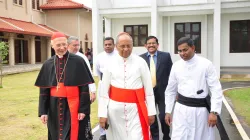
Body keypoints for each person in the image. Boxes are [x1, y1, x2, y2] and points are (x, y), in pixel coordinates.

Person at [35, 32, 94, 140]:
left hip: (74, 105)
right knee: (56, 134)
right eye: (58, 45)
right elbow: (44, 90)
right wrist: (43, 111)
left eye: (64, 44)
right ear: (52, 46)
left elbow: (84, 88)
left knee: (74, 134)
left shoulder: (78, 61)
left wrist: (83, 109)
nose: (62, 48)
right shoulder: (48, 64)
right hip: (54, 107)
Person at [98, 32, 156, 140]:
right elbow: (104, 92)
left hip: (136, 111)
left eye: (128, 46)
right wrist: (102, 114)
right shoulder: (109, 63)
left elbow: (148, 90)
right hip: (115, 112)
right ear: (116, 47)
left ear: (132, 45)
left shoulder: (141, 62)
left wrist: (151, 112)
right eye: (122, 46)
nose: (126, 49)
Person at [164, 37, 223, 140]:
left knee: (200, 137)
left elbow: (216, 89)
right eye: (180, 51)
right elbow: (170, 90)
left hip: (200, 112)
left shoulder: (206, 64)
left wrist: (214, 112)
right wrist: (168, 111)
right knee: (179, 136)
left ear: (193, 48)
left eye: (185, 50)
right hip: (181, 111)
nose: (182, 53)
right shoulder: (176, 66)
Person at [140, 36, 172, 140]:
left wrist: (174, 91)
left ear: (157, 45)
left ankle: (166, 136)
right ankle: (155, 137)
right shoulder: (141, 58)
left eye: (153, 43)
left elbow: (171, 75)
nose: (151, 45)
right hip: (148, 93)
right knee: (151, 117)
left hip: (163, 92)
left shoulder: (166, 56)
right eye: (149, 43)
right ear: (145, 46)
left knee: (163, 116)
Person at [95, 37, 117, 140]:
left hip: (115, 85)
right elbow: (97, 72)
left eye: (109, 44)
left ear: (114, 45)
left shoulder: (118, 56)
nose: (107, 46)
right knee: (103, 108)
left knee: (114, 108)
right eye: (106, 45)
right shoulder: (99, 57)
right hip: (103, 85)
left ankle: (115, 132)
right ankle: (103, 133)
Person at [67, 36, 96, 103]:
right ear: (68, 45)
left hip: (81, 88)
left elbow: (89, 74)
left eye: (78, 45)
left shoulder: (82, 57)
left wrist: (93, 91)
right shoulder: (64, 57)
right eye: (74, 45)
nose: (77, 47)